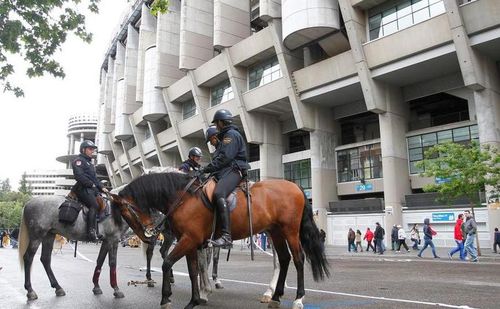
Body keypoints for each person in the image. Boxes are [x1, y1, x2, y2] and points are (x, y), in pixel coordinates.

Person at [200, 109, 250, 248]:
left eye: (216, 124)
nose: (216, 126)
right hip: (228, 170)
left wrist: (206, 168)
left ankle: (227, 236)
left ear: (221, 122)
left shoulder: (230, 135)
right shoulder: (226, 136)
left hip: (235, 170)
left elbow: (225, 158)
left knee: (219, 193)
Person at [71, 140, 108, 241]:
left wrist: (102, 187)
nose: (92, 151)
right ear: (83, 150)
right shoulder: (78, 161)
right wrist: (91, 184)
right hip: (82, 188)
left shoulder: (90, 164)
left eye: (93, 149)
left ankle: (99, 228)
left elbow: (94, 178)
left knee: (104, 203)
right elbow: (79, 176)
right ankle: (91, 231)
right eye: (90, 149)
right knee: (94, 205)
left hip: (91, 189)